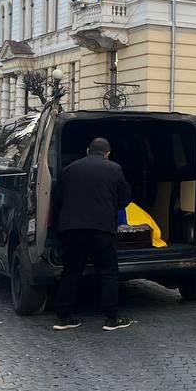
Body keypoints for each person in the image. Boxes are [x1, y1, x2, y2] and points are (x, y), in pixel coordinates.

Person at [51, 137, 133, 331]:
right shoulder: (114, 169)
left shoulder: (69, 169)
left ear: (88, 150)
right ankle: (111, 318)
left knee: (71, 270)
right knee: (108, 271)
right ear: (108, 154)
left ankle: (63, 317)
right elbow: (125, 198)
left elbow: (57, 198)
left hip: (72, 229)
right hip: (102, 228)